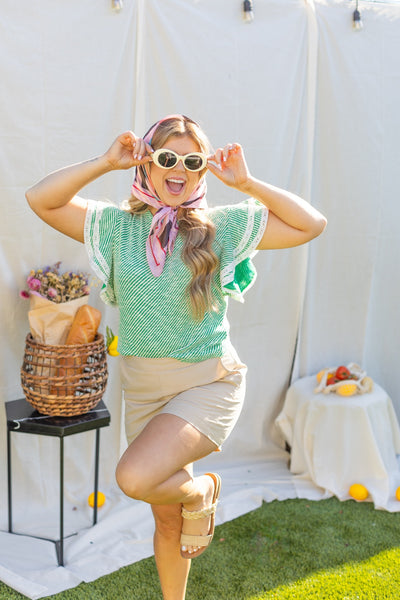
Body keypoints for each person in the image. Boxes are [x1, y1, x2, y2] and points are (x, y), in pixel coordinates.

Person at [26, 114, 327, 600]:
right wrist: (104, 162)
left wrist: (247, 183)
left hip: (207, 383)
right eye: (168, 157)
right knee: (169, 523)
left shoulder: (219, 227)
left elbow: (311, 224)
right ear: (147, 163)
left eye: (192, 161)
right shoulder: (115, 228)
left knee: (134, 477)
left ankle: (203, 492)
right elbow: (41, 198)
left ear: (202, 170)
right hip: (144, 389)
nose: (179, 169)